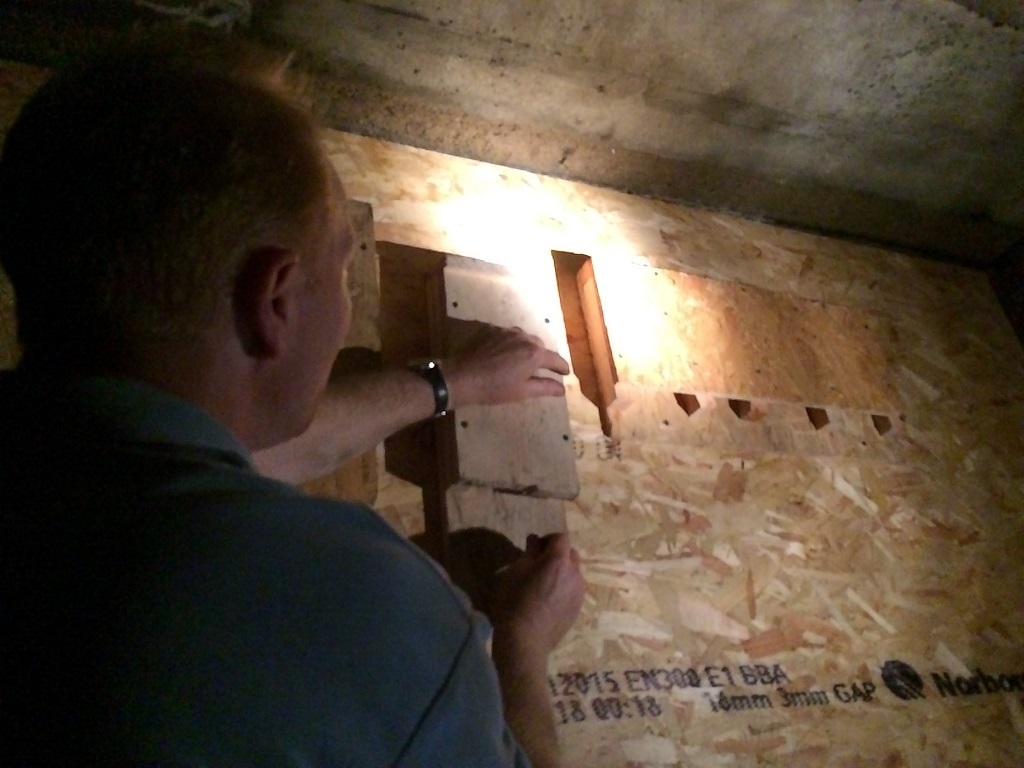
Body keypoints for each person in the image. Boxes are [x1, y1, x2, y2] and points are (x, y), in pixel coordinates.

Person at [0, 33, 585, 767]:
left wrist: (448, 383)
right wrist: (523, 646)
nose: (342, 302)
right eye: (341, 271)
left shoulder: (64, 474)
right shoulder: (365, 604)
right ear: (274, 299)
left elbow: (234, 454)